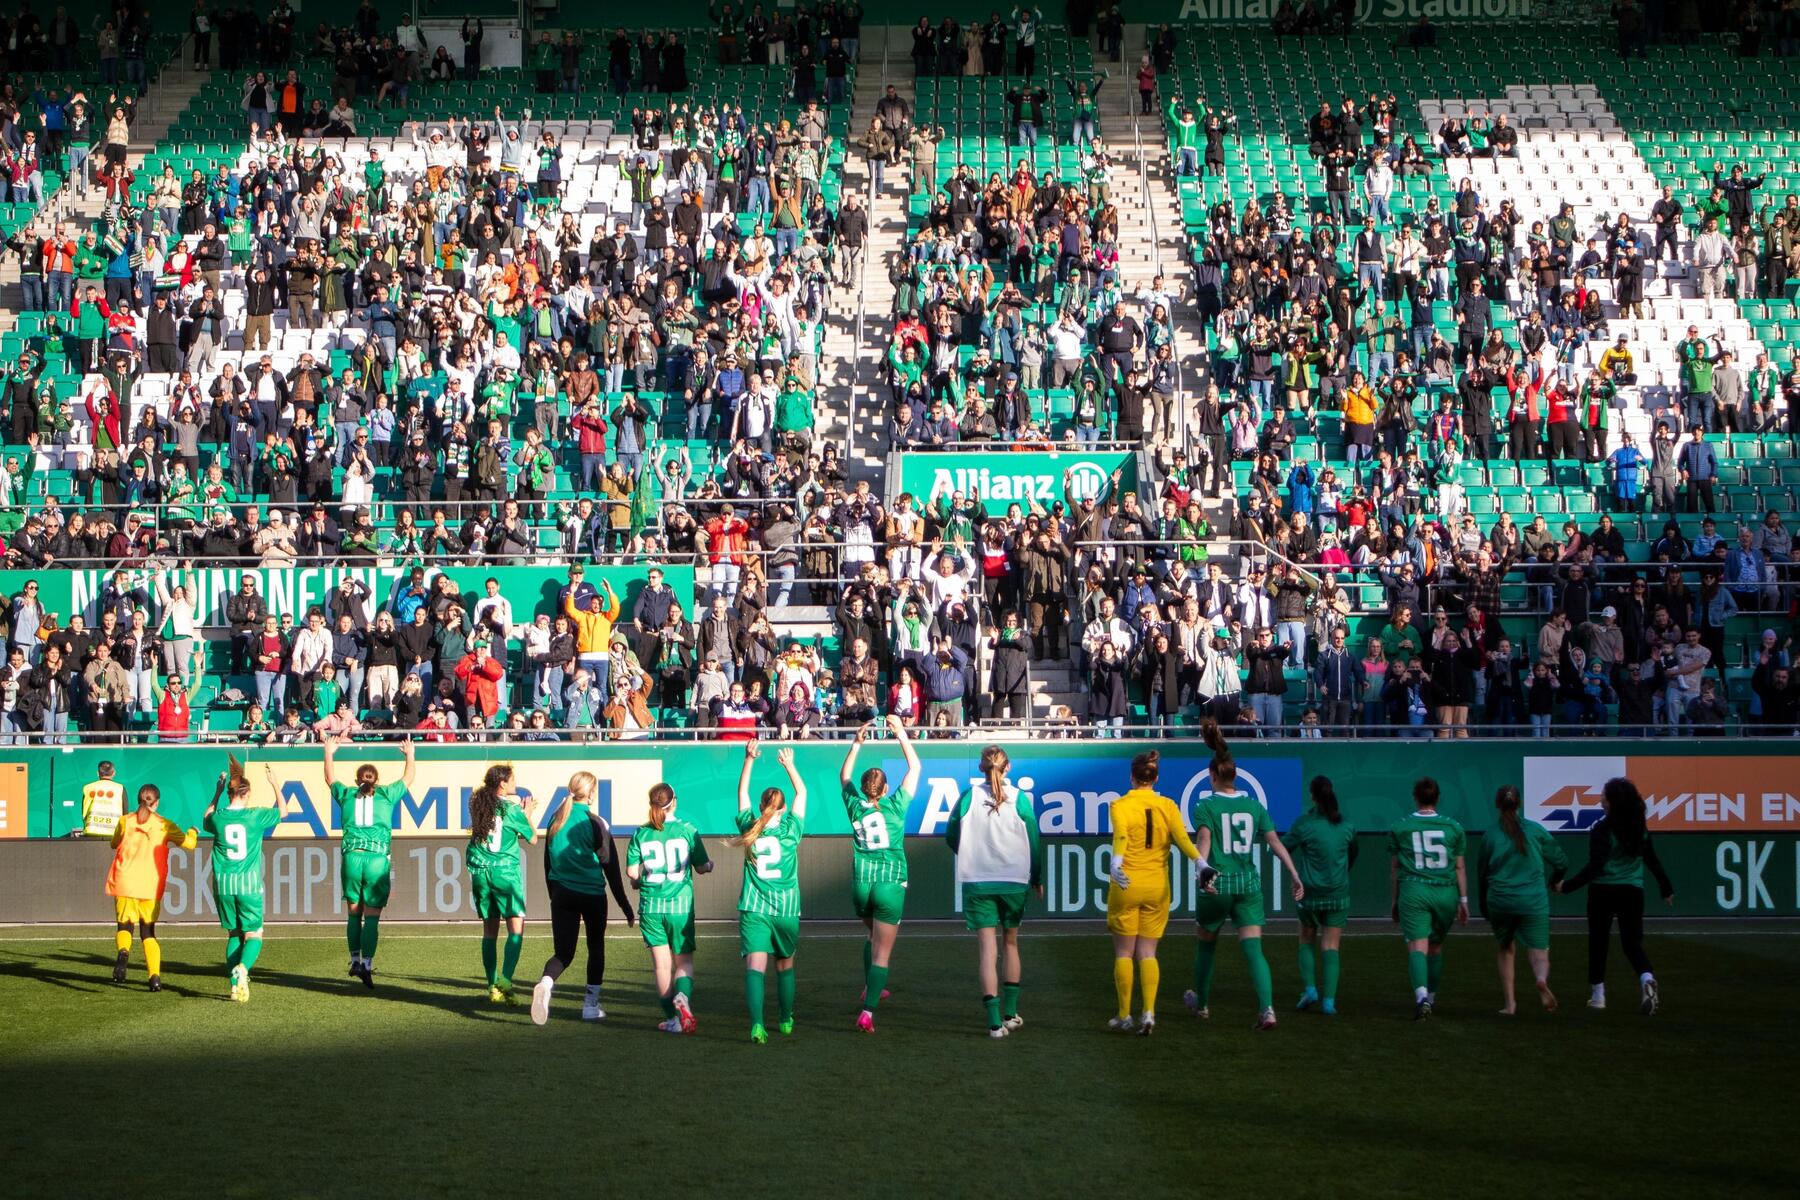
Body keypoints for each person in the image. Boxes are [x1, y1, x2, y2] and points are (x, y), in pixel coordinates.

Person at [1183, 720, 1304, 1030]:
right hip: (1248, 883)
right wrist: (1294, 874)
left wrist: (1204, 871)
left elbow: (1205, 841)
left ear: (1212, 776)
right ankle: (1267, 1010)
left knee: (1206, 943)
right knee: (1253, 948)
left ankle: (1203, 1005)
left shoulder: (1205, 805)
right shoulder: (1253, 806)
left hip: (1219, 882)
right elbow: (1275, 841)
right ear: (1235, 777)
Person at [945, 745, 1044, 1038]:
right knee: (1011, 943)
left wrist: (967, 853)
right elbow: (1034, 840)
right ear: (1008, 767)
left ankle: (994, 1022)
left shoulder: (968, 797)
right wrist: (1036, 876)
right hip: (1013, 879)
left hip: (979, 879)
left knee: (988, 950)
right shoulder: (1020, 799)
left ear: (981, 768)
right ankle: (1011, 1014)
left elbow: (951, 834)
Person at [1554, 776, 1674, 1015]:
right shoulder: (1639, 829)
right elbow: (1652, 860)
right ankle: (1646, 977)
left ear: (1613, 803)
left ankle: (1598, 996)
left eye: (1604, 797)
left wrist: (1566, 886)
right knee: (1632, 944)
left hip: (1603, 891)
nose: (1600, 800)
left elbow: (1595, 866)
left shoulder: (1602, 829)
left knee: (1598, 943)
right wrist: (1666, 888)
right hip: (1632, 891)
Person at [1103, 749, 1199, 1035]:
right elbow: (1182, 837)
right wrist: (1200, 862)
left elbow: (1120, 834)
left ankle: (1124, 1015)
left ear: (1132, 776)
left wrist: (1117, 862)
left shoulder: (1120, 805)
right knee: (1147, 953)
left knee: (1123, 953)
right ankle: (1149, 1013)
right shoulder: (1168, 805)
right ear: (1155, 778)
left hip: (1127, 884)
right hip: (1157, 886)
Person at [529, 771, 636, 1026]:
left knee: (563, 954)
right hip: (592, 895)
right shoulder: (595, 822)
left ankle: (545, 983)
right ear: (591, 793)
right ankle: (590, 1005)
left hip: (562, 894)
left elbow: (548, 862)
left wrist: (553, 893)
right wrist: (625, 905)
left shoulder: (556, 819)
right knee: (595, 949)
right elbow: (610, 867)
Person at [840, 714, 922, 1033]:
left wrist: (857, 743)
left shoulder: (854, 805)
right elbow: (915, 768)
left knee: (871, 936)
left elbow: (844, 775)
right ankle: (868, 1011)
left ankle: (869, 987)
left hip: (862, 883)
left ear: (864, 788)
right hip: (890, 883)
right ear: (885, 788)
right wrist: (901, 732)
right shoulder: (895, 805)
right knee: (882, 954)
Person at [322, 735, 415, 988]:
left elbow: (330, 778)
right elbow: (408, 779)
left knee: (354, 913)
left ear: (357, 780)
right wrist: (410, 754)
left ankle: (353, 960)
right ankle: (367, 965)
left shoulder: (347, 794)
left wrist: (328, 751)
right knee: (371, 917)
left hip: (352, 857)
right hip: (376, 859)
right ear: (377, 780)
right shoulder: (385, 794)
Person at [734, 741, 808, 1043]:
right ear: (783, 808)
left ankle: (757, 1024)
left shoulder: (751, 826)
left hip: (754, 907)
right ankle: (786, 1018)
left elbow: (741, 795)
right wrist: (789, 765)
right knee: (785, 965)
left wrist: (748, 759)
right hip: (787, 908)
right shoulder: (791, 830)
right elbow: (803, 793)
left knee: (755, 967)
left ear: (763, 806)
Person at [626, 780, 714, 1033]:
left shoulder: (641, 833)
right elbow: (701, 866)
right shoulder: (688, 830)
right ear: (673, 802)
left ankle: (672, 1020)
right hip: (680, 906)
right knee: (683, 963)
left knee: (662, 967)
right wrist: (710, 866)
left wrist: (640, 881)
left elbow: (632, 873)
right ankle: (683, 998)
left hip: (651, 907)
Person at [1477, 784, 1567, 1017]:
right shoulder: (1535, 830)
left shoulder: (1491, 835)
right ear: (1520, 804)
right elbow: (1561, 861)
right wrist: (1555, 879)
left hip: (1501, 899)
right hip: (1533, 899)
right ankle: (1540, 979)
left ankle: (1510, 1004)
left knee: (1506, 949)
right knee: (1539, 950)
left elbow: (1482, 874)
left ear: (1497, 804)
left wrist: (1484, 906)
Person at [1387, 776, 1469, 1020]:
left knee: (1417, 946)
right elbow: (1460, 867)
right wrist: (1463, 900)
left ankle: (1422, 997)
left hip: (1415, 890)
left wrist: (1394, 899)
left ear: (1415, 798)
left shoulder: (1400, 827)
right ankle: (1431, 999)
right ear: (1438, 798)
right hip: (1445, 891)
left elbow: (1395, 868)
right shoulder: (1454, 827)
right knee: (1435, 947)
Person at [105, 782, 199, 991]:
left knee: (125, 926)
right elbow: (189, 845)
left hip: (125, 881)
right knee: (148, 932)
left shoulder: (125, 821)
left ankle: (123, 952)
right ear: (156, 803)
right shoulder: (165, 825)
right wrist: (192, 831)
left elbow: (114, 843)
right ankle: (154, 977)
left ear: (139, 800)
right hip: (150, 884)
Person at [204, 755, 284, 1002]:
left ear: (229, 794)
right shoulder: (255, 816)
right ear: (246, 793)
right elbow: (284, 811)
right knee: (254, 934)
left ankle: (234, 986)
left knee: (233, 934)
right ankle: (243, 969)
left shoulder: (218, 818)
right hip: (248, 884)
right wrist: (275, 784)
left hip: (223, 885)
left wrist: (216, 794)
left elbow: (207, 817)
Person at [1284, 775, 1357, 1015]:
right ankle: (1329, 1002)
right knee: (1331, 945)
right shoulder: (1346, 825)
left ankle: (1310, 989)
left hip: (1310, 893)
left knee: (1306, 939)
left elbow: (1283, 847)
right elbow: (1353, 853)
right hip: (1337, 892)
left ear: (1313, 796)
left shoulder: (1304, 825)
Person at [465, 763, 538, 1003]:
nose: (515, 783)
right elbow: (533, 838)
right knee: (516, 929)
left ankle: (492, 987)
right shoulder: (512, 809)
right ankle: (505, 980)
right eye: (512, 779)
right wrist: (527, 814)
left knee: (489, 932)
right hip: (505, 873)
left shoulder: (478, 805)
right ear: (502, 783)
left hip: (481, 873)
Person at [79, 759, 125, 838]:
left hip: (91, 832)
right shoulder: (120, 789)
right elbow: (125, 814)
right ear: (114, 773)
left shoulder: (88, 788)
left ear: (98, 773)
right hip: (114, 834)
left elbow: (84, 812)